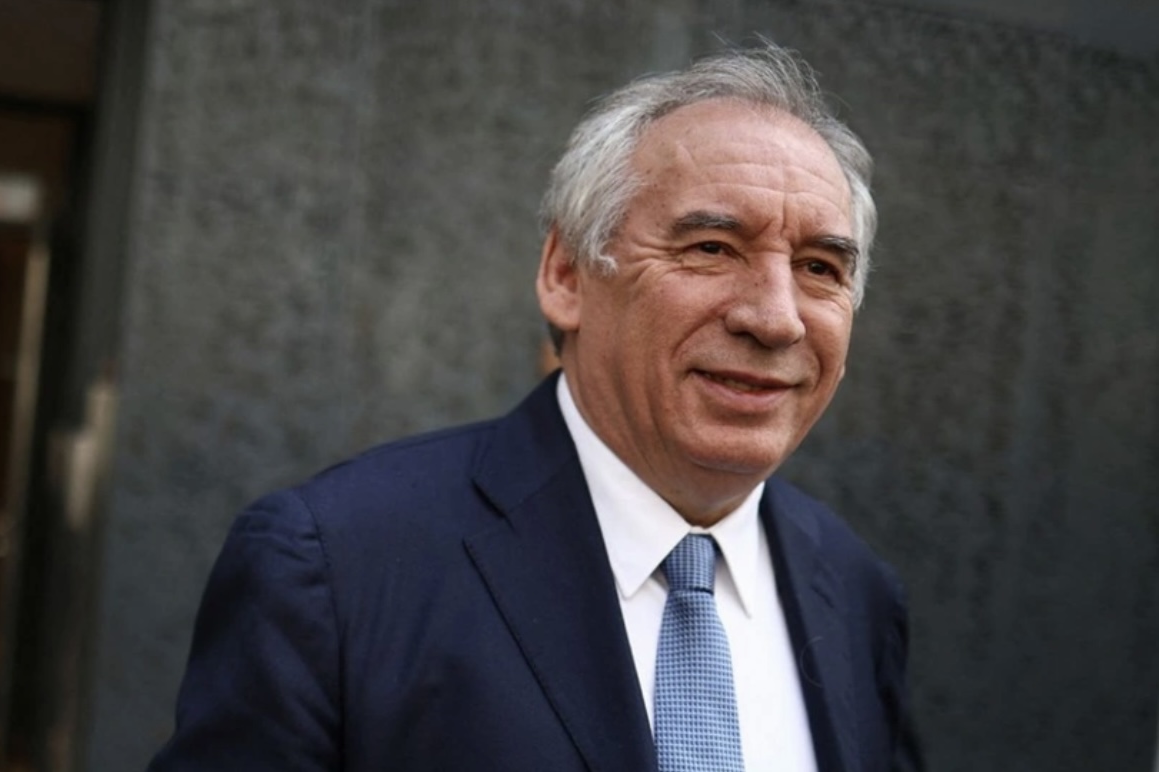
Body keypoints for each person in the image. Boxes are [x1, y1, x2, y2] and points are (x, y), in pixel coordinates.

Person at [150, 41, 919, 772]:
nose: (776, 318)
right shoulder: (334, 565)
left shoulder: (854, 591)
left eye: (820, 268)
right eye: (710, 249)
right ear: (566, 275)